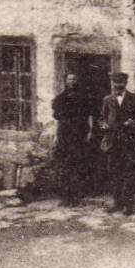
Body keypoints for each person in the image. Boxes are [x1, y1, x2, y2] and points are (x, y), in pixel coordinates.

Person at [97, 72, 135, 215]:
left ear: (126, 83)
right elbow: (101, 118)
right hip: (113, 141)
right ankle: (117, 203)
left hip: (128, 140)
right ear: (113, 84)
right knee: (114, 172)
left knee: (129, 172)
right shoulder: (107, 100)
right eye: (115, 82)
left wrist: (133, 122)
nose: (118, 85)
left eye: (121, 82)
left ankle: (128, 204)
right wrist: (103, 124)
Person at [50, 71, 95, 206]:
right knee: (64, 165)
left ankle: (76, 197)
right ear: (65, 81)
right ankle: (65, 197)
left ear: (78, 81)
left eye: (74, 78)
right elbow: (57, 118)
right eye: (70, 79)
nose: (72, 81)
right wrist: (55, 135)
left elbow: (90, 115)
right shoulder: (60, 99)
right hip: (64, 134)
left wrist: (90, 132)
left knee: (78, 164)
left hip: (79, 133)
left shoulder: (84, 97)